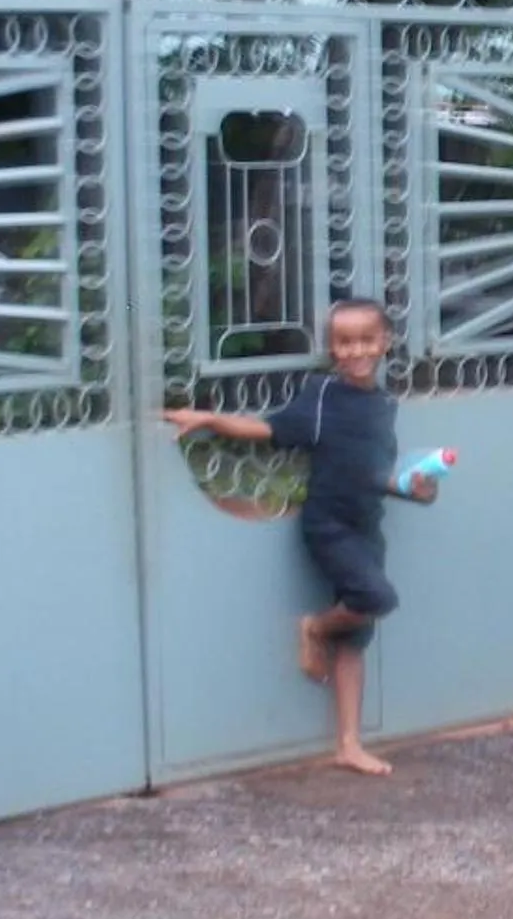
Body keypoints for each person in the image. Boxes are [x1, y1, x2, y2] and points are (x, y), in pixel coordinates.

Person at [164, 297, 437, 776]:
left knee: (355, 637)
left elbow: (375, 474)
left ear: (384, 342)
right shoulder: (323, 397)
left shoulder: (384, 406)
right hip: (328, 526)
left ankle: (348, 744)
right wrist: (208, 419)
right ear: (332, 349)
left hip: (366, 528)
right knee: (376, 597)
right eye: (344, 342)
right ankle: (312, 628)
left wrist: (415, 490)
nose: (356, 351)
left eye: (365, 340)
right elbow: (266, 429)